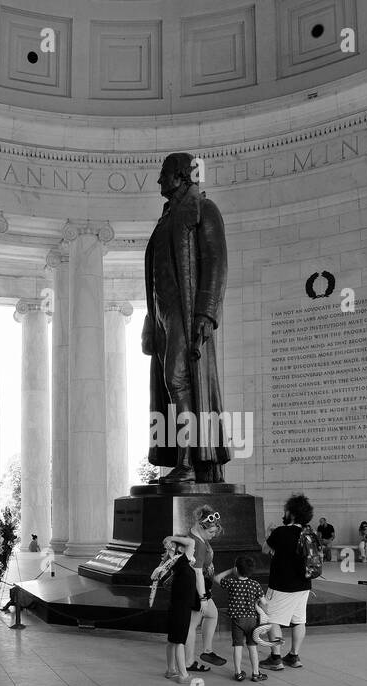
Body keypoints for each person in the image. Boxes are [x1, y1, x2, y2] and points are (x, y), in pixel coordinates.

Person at [142, 152, 232, 484]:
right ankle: (181, 461)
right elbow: (154, 278)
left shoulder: (202, 210)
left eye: (164, 174)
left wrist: (207, 313)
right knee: (169, 388)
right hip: (164, 317)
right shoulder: (165, 220)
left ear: (181, 176)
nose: (159, 180)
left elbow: (216, 263)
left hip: (186, 312)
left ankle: (188, 463)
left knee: (179, 382)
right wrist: (150, 323)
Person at [262, 494, 315, 670]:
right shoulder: (310, 533)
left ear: (291, 513)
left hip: (282, 585)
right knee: (299, 621)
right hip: (304, 585)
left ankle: (276, 658)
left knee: (272, 620)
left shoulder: (281, 532)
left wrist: (269, 533)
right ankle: (294, 656)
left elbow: (265, 549)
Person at [182, 504, 225, 673]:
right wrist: (202, 598)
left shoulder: (195, 533)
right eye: (211, 532)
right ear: (202, 526)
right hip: (195, 587)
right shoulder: (198, 544)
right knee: (192, 625)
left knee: (212, 615)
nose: (213, 536)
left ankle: (207, 651)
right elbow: (198, 573)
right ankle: (188, 662)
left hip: (197, 585)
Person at [214, 556, 268, 682]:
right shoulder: (255, 584)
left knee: (238, 646)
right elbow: (264, 602)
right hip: (252, 621)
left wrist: (230, 571)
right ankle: (255, 673)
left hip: (237, 620)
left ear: (236, 569)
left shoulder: (232, 583)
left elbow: (216, 578)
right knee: (252, 647)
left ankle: (238, 673)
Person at [157, 536, 199, 684]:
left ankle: (170, 670)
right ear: (181, 549)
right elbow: (192, 542)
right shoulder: (181, 561)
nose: (192, 549)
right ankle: (183, 674)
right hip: (182, 608)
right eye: (188, 547)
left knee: (172, 640)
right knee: (179, 641)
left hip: (176, 606)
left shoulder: (176, 563)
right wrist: (171, 538)